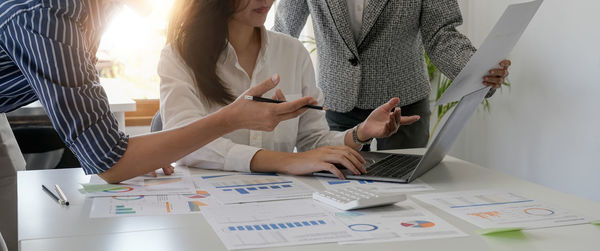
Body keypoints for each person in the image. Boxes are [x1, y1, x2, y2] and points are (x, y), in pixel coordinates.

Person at [0, 0, 316, 184]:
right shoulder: (45, 16)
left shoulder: (96, 10)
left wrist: (143, 153)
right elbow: (109, 162)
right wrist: (230, 119)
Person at [159, 0, 422, 179]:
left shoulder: (293, 52)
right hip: (209, 203)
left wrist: (360, 133)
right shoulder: (178, 56)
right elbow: (183, 144)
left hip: (283, 200)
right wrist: (286, 161)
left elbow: (313, 141)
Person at [273, 0, 511, 150]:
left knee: (407, 201)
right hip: (336, 103)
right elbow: (283, 32)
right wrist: (261, 87)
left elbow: (441, 34)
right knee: (334, 195)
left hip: (403, 107)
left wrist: (478, 72)